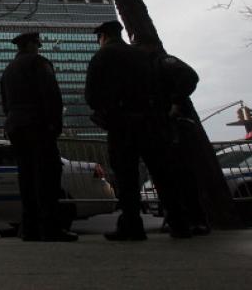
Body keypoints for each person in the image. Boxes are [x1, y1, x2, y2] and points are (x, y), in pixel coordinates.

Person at [85, 20, 189, 240]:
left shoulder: (102, 57)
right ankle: (180, 224)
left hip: (122, 125)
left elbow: (91, 96)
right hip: (152, 122)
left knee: (126, 177)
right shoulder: (144, 56)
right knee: (162, 174)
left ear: (102, 37)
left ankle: (132, 225)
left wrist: (107, 109)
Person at [0, 31, 77, 242]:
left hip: (16, 126)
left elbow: (5, 103)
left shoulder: (8, 69)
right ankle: (50, 227)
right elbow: (51, 94)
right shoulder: (39, 63)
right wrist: (55, 124)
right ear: (33, 44)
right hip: (38, 125)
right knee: (47, 176)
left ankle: (29, 227)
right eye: (37, 44)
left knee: (26, 176)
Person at [137, 37, 210, 235]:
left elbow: (189, 76)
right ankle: (180, 218)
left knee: (182, 175)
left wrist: (175, 103)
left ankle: (195, 219)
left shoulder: (162, 62)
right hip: (160, 127)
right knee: (169, 175)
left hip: (173, 127)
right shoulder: (147, 68)